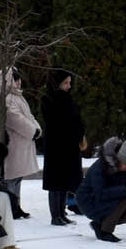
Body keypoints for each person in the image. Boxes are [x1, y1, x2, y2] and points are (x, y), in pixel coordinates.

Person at [40, 68, 84, 226]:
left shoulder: (68, 98)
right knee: (55, 182)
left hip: (69, 146)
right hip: (56, 146)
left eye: (69, 83)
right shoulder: (49, 99)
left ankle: (62, 213)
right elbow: (55, 122)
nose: (68, 86)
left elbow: (76, 118)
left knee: (65, 180)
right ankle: (55, 215)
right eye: (65, 83)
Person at [0, 68, 39, 220]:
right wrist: (33, 131)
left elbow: (29, 116)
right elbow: (15, 118)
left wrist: (36, 128)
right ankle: (11, 207)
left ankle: (16, 206)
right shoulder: (5, 97)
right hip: (14, 143)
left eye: (19, 79)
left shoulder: (16, 96)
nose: (19, 82)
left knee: (17, 177)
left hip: (21, 142)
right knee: (11, 177)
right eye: (16, 79)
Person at [78, 136, 126, 243]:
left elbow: (125, 190)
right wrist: (123, 192)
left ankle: (99, 225)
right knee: (123, 198)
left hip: (104, 201)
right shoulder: (100, 167)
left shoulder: (122, 169)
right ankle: (105, 232)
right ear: (120, 159)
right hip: (88, 201)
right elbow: (100, 194)